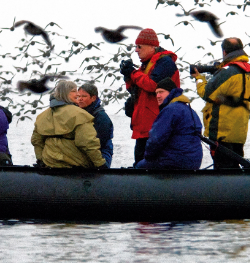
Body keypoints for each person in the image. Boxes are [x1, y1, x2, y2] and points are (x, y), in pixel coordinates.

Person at [192, 37, 250, 169]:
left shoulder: (228, 72)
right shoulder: (248, 71)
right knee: (234, 169)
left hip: (222, 132)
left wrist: (199, 78)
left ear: (224, 52)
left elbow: (207, 93)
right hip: (239, 132)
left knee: (223, 170)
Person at [119, 28, 179, 166]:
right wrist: (128, 76)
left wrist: (133, 73)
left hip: (157, 126)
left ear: (152, 46)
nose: (136, 50)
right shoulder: (146, 65)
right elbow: (136, 90)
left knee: (149, 167)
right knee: (141, 164)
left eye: (139, 46)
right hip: (145, 126)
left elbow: (153, 85)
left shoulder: (165, 62)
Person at [31, 80, 107, 168]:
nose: (78, 94)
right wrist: (100, 164)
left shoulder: (42, 116)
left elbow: (37, 141)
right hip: (75, 166)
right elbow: (87, 142)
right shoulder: (80, 115)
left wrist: (41, 160)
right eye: (74, 91)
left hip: (49, 165)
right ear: (65, 93)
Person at [137, 78, 203, 170]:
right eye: (156, 93)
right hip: (194, 162)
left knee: (139, 166)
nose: (158, 96)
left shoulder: (170, 110)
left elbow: (156, 139)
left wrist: (148, 157)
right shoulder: (190, 110)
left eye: (161, 92)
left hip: (174, 161)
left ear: (171, 92)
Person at [77, 82, 114, 167]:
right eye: (78, 96)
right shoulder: (77, 113)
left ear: (93, 98)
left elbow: (101, 141)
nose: (80, 99)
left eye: (84, 96)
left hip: (102, 153)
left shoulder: (101, 117)